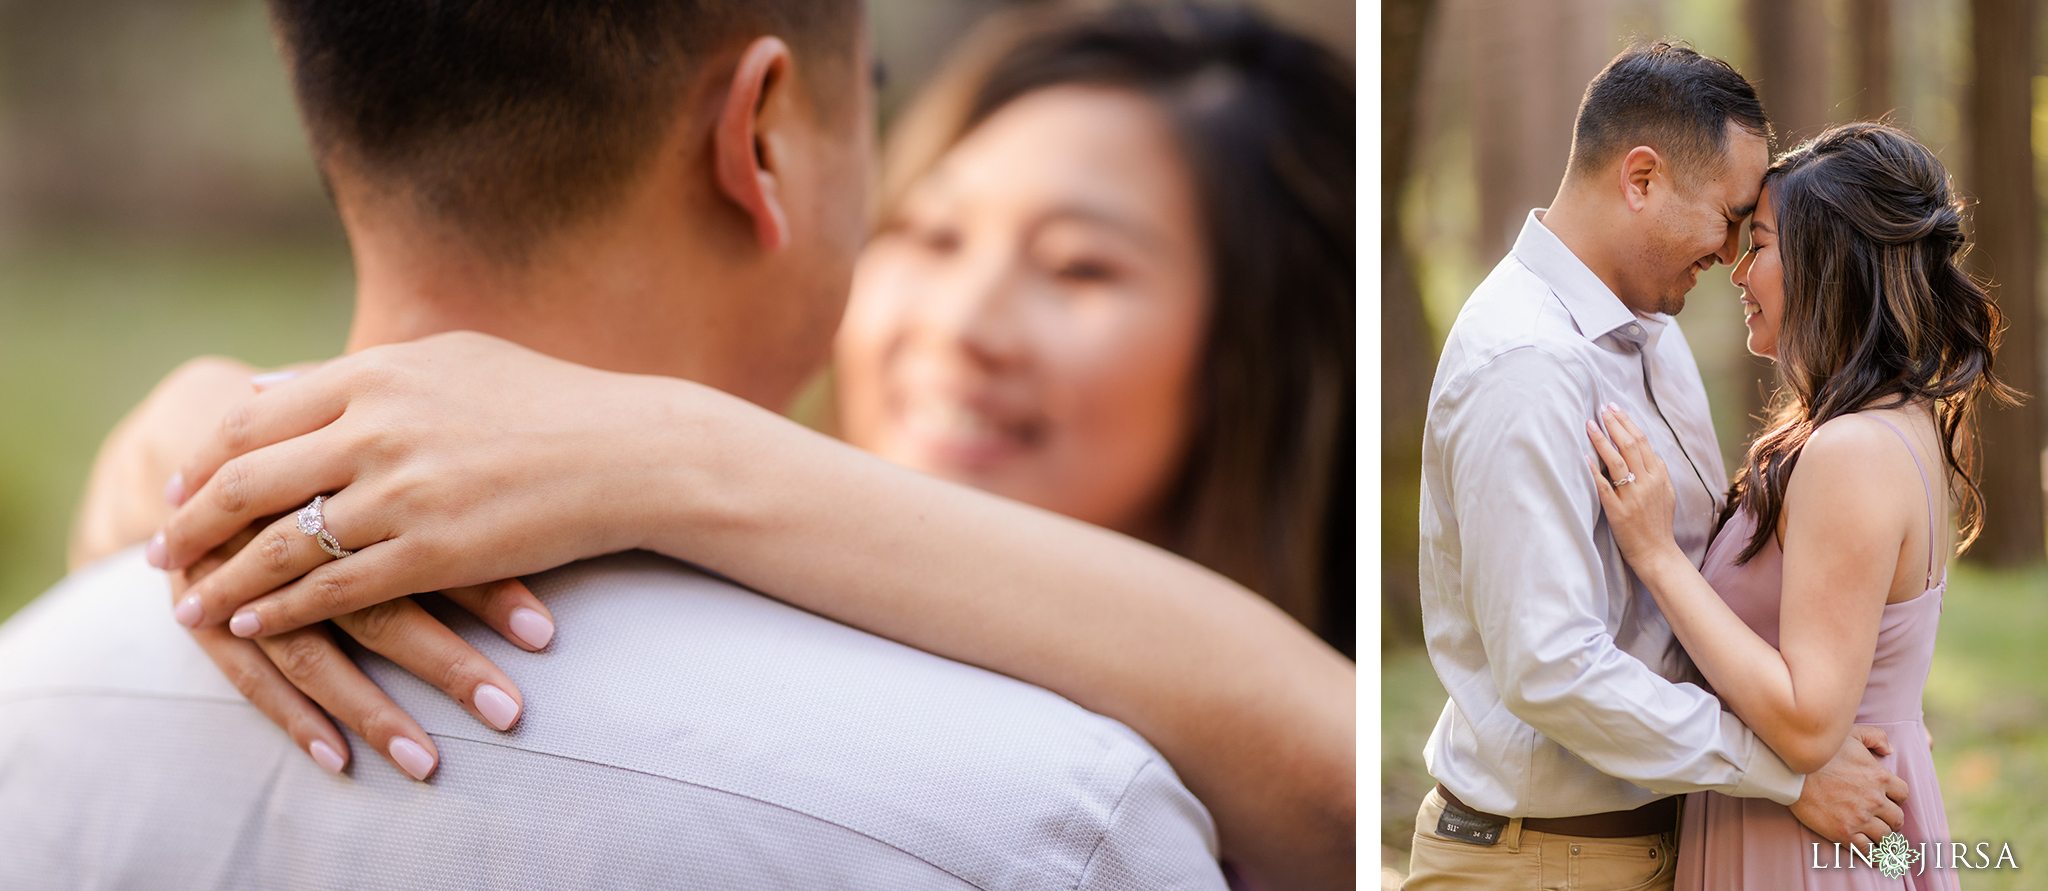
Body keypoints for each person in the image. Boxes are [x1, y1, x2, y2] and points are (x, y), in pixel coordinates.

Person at [51, 4, 1358, 890]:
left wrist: (677, 447)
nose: (958, 324)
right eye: (930, 232)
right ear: (762, 139)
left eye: (1079, 265)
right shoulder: (1037, 811)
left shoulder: (1079, 797)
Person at [1402, 43, 1908, 889]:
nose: (1736, 251)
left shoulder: (1655, 335)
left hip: (1657, 844)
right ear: (1642, 179)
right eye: (1730, 214)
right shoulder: (1526, 363)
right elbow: (1552, 666)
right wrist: (1785, 771)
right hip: (1539, 863)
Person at [1589, 122, 2007, 890]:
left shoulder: (1852, 452)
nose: (1738, 270)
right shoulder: (1895, 423)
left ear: (1829, 266)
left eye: (1764, 245)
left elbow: (1811, 720)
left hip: (1811, 849)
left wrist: (1652, 551)